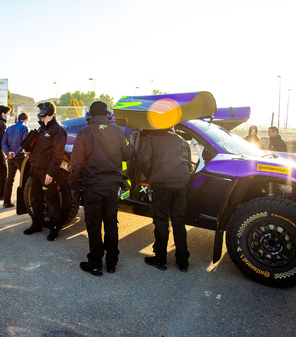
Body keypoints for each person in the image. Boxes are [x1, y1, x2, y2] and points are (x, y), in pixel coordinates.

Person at [69, 101, 132, 276]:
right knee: (111, 223)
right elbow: (128, 154)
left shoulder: (84, 133)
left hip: (92, 186)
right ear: (108, 114)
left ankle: (95, 264)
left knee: (94, 224)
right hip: (112, 186)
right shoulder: (117, 132)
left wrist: (73, 186)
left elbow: (76, 165)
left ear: (90, 115)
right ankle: (112, 263)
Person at [138, 127, 191, 272]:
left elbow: (144, 160)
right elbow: (189, 162)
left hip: (162, 184)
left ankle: (160, 259)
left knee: (161, 221)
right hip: (181, 183)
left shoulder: (152, 138)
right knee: (179, 222)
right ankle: (183, 262)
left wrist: (152, 177)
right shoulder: (181, 140)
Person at [23, 102, 67, 241]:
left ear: (45, 111)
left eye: (39, 109)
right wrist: (29, 151)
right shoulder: (41, 128)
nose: (37, 111)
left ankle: (55, 227)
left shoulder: (57, 130)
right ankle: (37, 223)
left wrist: (51, 173)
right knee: (35, 198)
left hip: (47, 172)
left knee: (51, 199)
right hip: (35, 170)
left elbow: (58, 154)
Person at [1, 112, 30, 208]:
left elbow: (3, 143)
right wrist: (16, 153)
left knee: (9, 179)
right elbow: (24, 144)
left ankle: (6, 201)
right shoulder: (25, 128)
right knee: (25, 179)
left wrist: (8, 152)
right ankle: (24, 203)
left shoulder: (9, 128)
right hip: (21, 158)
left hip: (10, 158)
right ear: (25, 120)